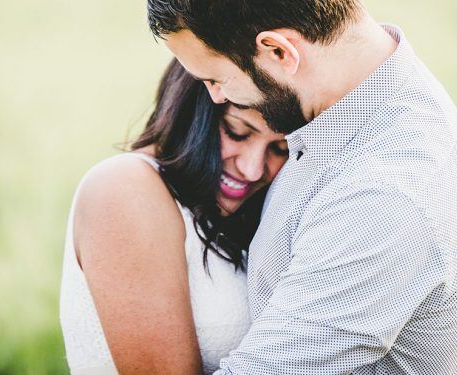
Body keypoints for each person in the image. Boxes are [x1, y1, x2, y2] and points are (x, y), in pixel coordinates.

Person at [146, 0, 457, 374]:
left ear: (279, 52)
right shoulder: (353, 111)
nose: (214, 99)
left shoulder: (385, 197)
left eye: (215, 78)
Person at [59, 59, 289, 374]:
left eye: (281, 149)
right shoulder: (125, 188)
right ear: (193, 110)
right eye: (236, 132)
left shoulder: (251, 213)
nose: (253, 168)